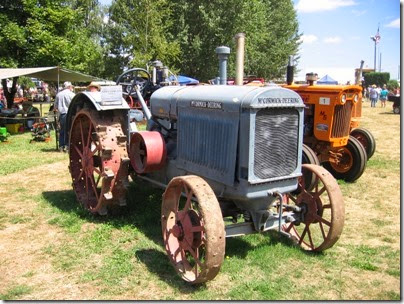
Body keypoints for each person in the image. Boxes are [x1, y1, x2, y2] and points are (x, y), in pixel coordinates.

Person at [55, 81, 75, 152]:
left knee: (62, 131)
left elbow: (55, 107)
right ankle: (67, 146)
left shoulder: (58, 95)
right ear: (69, 87)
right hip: (69, 114)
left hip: (61, 114)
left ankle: (61, 146)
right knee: (69, 130)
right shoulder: (72, 94)